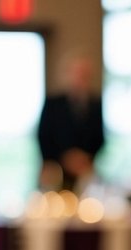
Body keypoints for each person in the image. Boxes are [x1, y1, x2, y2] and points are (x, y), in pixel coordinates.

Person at [37, 54, 104, 191]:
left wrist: (84, 159)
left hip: (85, 173)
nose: (81, 79)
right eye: (78, 74)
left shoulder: (95, 104)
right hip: (56, 172)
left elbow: (100, 138)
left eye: (85, 75)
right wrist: (65, 158)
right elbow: (44, 136)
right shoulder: (53, 104)